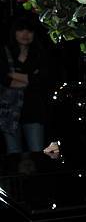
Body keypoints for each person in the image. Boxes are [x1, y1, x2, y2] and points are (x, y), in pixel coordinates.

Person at [0, 16, 49, 154]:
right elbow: (4, 79)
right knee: (13, 153)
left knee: (37, 152)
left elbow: (43, 79)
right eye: (21, 30)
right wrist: (30, 79)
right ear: (14, 32)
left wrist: (14, 75)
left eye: (29, 31)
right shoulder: (5, 53)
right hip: (9, 111)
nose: (25, 34)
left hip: (34, 111)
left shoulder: (39, 54)